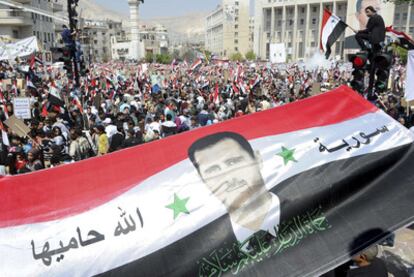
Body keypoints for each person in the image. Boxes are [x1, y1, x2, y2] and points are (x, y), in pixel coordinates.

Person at [188, 132, 280, 243]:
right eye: (213, 170)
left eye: (232, 162)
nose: (228, 177)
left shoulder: (303, 197)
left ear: (257, 159)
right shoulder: (203, 244)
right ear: (202, 179)